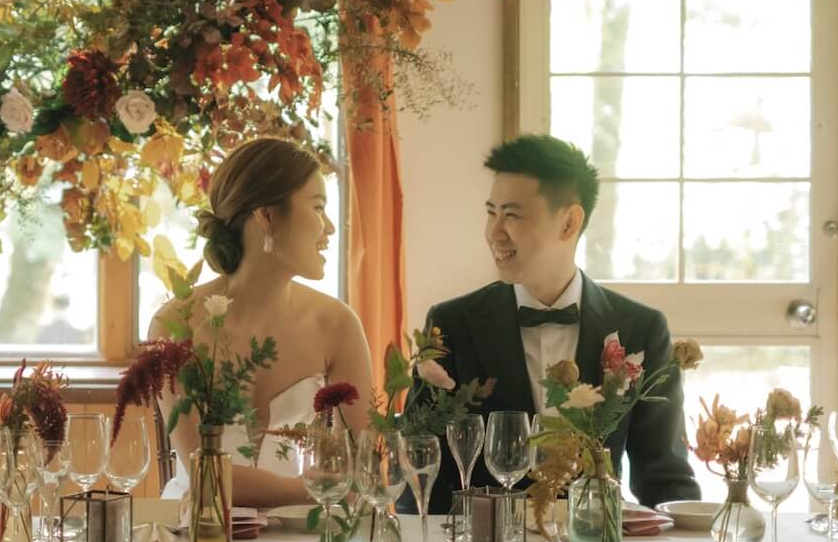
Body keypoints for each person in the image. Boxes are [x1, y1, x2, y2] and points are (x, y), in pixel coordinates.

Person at [402, 134, 700, 514]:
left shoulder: (641, 329)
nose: (494, 232)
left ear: (569, 222)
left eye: (511, 215)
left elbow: (665, 477)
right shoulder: (451, 324)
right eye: (491, 213)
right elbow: (421, 470)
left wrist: (693, 537)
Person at [153, 137, 374, 508]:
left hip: (301, 531)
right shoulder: (177, 323)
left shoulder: (336, 324)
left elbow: (359, 466)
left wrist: (325, 490)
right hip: (198, 528)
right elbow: (204, 474)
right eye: (318, 207)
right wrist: (311, 489)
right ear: (267, 216)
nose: (330, 228)